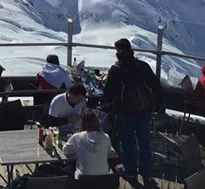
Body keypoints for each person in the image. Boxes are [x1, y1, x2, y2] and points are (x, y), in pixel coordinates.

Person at [103, 38, 162, 187]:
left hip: (124, 112)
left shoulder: (116, 70)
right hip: (144, 110)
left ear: (118, 51)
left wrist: (111, 106)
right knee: (144, 143)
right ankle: (147, 174)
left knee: (127, 143)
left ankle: (129, 171)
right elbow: (155, 84)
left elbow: (108, 93)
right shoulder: (142, 66)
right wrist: (158, 103)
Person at [62, 109, 114, 180]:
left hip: (83, 180)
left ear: (82, 123)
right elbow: (108, 151)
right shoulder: (106, 137)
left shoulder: (77, 137)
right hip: (103, 180)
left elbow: (65, 151)